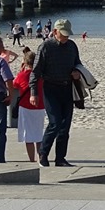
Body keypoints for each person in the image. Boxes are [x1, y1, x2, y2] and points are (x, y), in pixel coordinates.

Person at [30, 19, 83, 167]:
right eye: (63, 34)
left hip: (67, 89)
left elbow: (78, 63)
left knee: (65, 126)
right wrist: (34, 93)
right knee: (55, 123)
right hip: (50, 89)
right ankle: (43, 154)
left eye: (68, 35)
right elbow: (35, 72)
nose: (66, 38)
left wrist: (77, 71)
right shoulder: (45, 47)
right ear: (55, 32)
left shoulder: (72, 46)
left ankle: (60, 158)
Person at [13, 52, 44, 162]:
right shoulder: (41, 75)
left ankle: (32, 159)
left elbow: (15, 84)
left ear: (25, 62)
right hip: (40, 106)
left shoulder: (22, 75)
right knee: (38, 134)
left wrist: (21, 70)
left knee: (28, 135)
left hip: (25, 107)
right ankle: (41, 157)